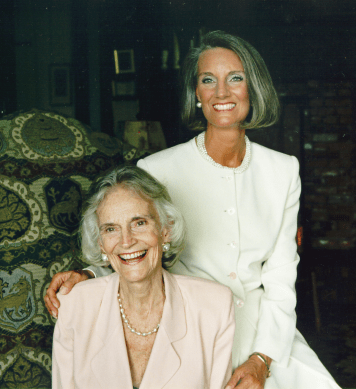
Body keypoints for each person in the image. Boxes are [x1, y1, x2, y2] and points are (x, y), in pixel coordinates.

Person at [46, 31, 341, 389]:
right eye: (207, 81)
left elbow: (280, 277)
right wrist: (90, 274)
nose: (221, 92)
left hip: (264, 333)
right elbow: (136, 241)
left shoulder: (283, 170)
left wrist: (262, 358)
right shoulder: (158, 168)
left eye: (235, 78)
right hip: (188, 327)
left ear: (253, 88)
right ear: (197, 94)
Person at [52, 166, 235, 389]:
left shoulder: (214, 306)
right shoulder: (74, 305)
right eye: (111, 229)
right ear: (100, 243)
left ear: (165, 229)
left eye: (139, 223)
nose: (126, 240)